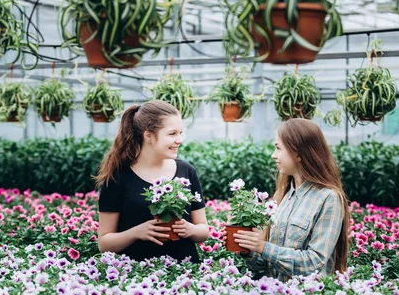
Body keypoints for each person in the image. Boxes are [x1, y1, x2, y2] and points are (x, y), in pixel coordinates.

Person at [233, 119, 350, 281]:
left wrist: (263, 247)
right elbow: (266, 266)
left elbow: (314, 262)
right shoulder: (283, 195)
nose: (273, 155)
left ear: (298, 153)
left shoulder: (328, 198)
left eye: (278, 148)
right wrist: (246, 248)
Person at [96, 100, 209, 262]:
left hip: (187, 274)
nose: (180, 140)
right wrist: (136, 232)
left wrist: (190, 229)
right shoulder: (118, 176)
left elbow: (203, 230)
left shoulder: (187, 170)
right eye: (172, 134)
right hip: (136, 277)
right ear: (148, 135)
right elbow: (104, 243)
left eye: (180, 133)